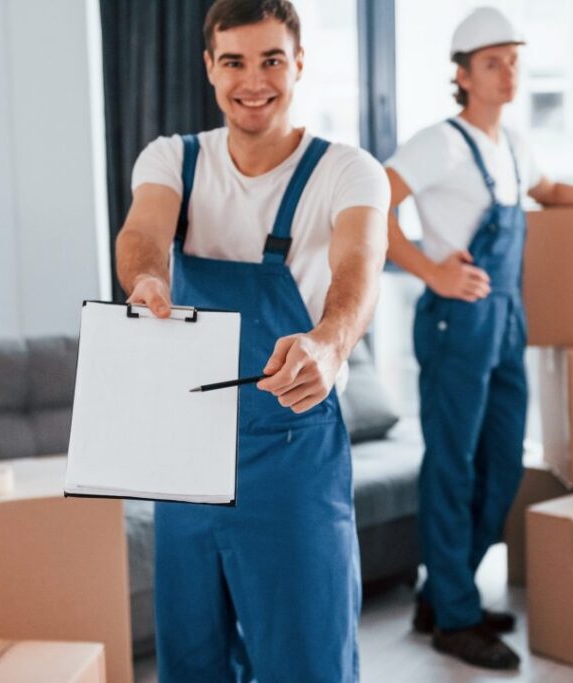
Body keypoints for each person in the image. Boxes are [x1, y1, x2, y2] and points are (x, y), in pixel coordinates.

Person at [115, 1, 388, 680]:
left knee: (307, 658)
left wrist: (329, 343)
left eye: (272, 59)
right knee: (193, 657)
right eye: (234, 61)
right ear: (209, 68)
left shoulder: (349, 172)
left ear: (299, 63)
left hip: (293, 448)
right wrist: (148, 281)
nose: (253, 80)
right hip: (187, 449)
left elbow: (358, 270)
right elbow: (145, 233)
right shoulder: (173, 159)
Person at [384, 6, 573, 671]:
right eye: (493, 62)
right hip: (457, 320)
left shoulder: (512, 145)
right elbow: (372, 203)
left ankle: (443, 592)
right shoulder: (440, 142)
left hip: (507, 320)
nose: (509, 73)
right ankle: (453, 615)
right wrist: (430, 270)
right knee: (452, 465)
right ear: (462, 74)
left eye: (514, 60)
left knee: (502, 462)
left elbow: (553, 191)